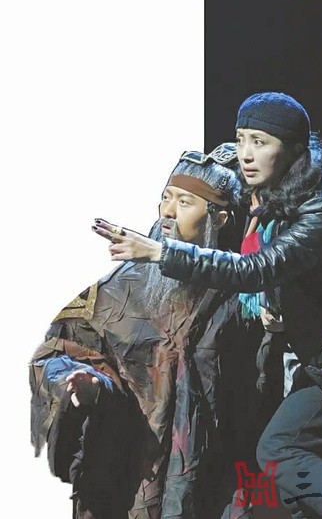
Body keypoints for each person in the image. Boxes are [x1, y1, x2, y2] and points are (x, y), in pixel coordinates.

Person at [96, 92, 322, 519]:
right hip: (312, 343)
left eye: (260, 142)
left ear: (295, 149)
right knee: (304, 479)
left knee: (280, 452)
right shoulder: (268, 177)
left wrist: (161, 253)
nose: (246, 154)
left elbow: (256, 269)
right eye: (241, 139)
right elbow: (214, 173)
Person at [30, 144, 260, 519]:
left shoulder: (239, 298)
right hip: (129, 470)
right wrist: (92, 385)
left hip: (205, 478)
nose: (168, 211)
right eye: (166, 198)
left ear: (218, 218)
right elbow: (57, 349)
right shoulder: (125, 284)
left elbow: (252, 402)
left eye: (185, 202)